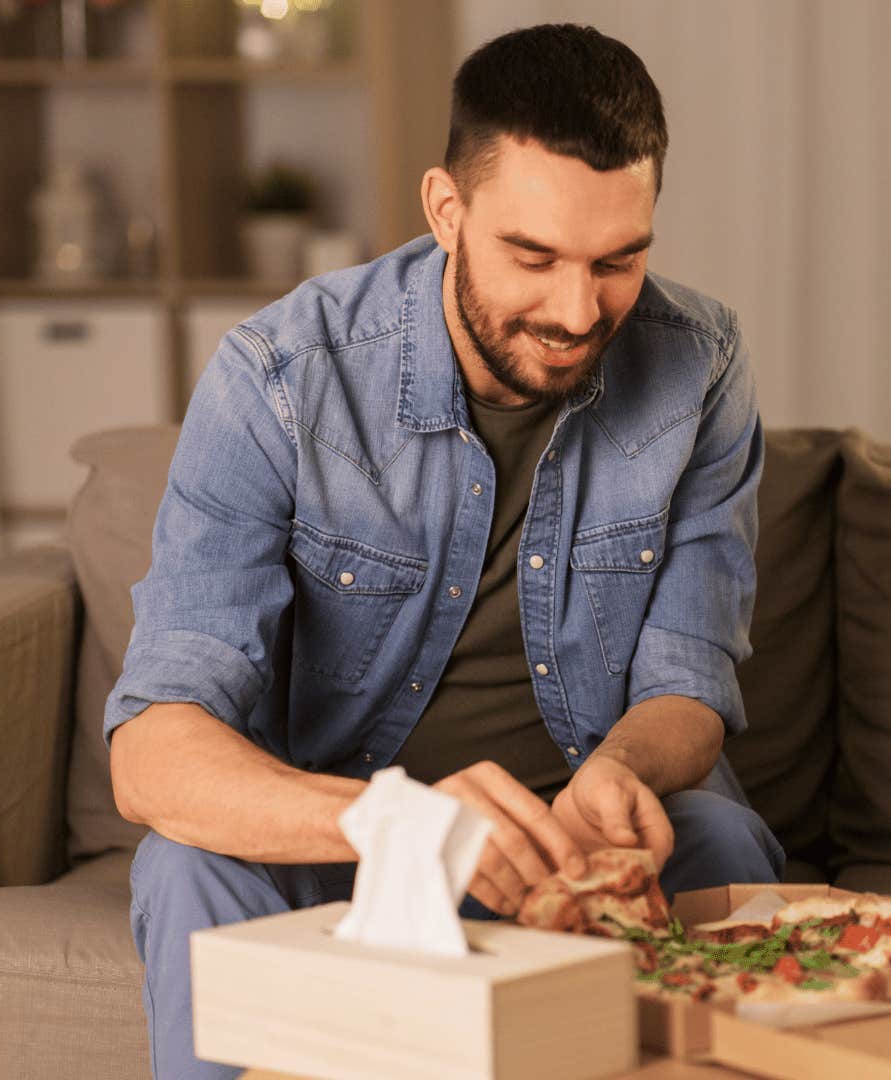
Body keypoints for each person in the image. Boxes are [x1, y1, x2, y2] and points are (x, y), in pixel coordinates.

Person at [107, 24, 782, 1079]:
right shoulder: (279, 376)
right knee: (186, 865)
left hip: (581, 851)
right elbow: (153, 755)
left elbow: (690, 682)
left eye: (619, 260)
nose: (577, 310)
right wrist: (398, 821)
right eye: (533, 256)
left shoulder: (701, 364)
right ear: (446, 209)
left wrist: (617, 770)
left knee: (724, 844)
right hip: (357, 852)